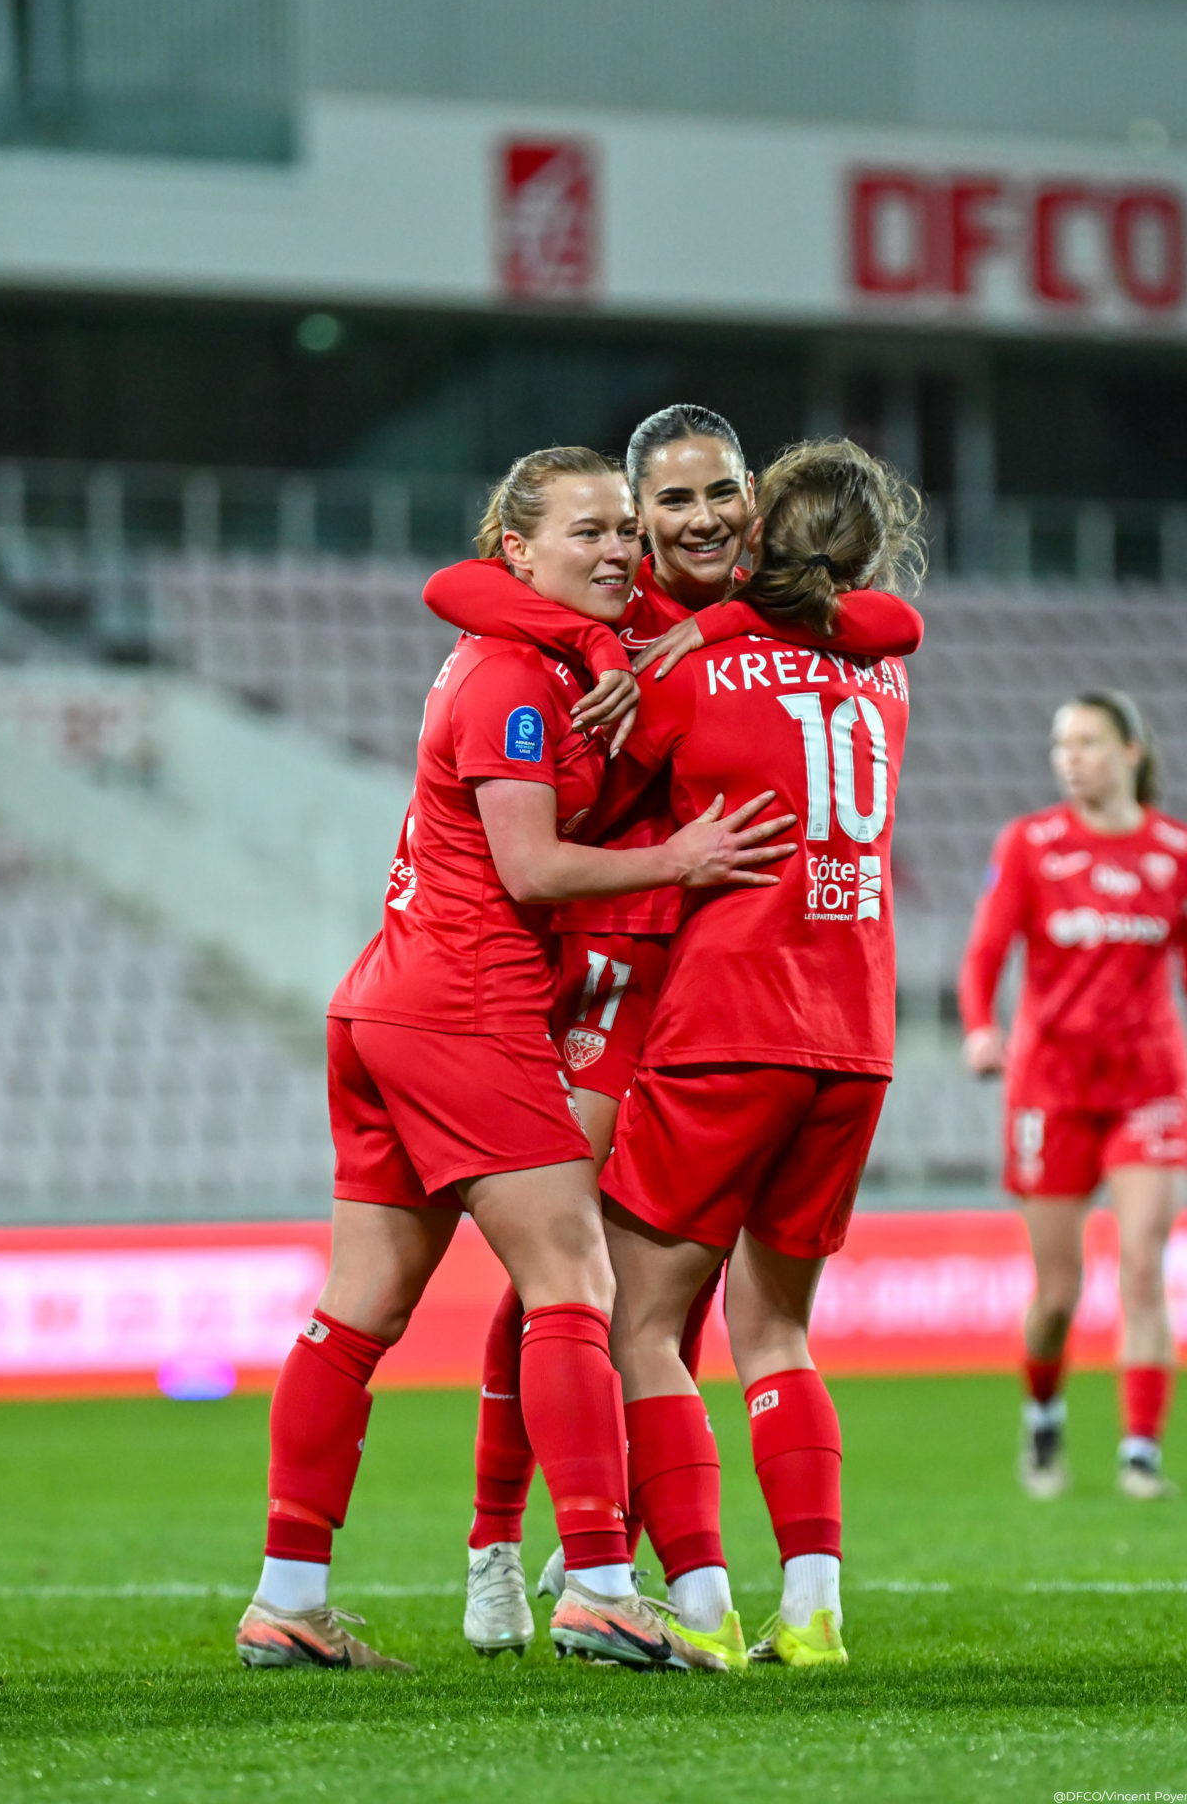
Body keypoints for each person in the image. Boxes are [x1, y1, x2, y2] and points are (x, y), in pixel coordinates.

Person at [233, 445, 792, 1677]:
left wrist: (601, 644)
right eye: (588, 531)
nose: (616, 549)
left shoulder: (533, 653)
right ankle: (596, 1583)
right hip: (465, 1005)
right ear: (518, 550)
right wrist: (680, 860)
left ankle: (286, 1598)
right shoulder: (509, 680)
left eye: (620, 530)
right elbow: (530, 870)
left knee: (359, 1311)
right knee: (572, 1280)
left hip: (390, 1001)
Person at [423, 409, 924, 1658]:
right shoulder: (614, 599)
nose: (701, 519)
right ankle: (500, 1543)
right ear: (637, 517)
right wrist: (597, 639)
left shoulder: (748, 629)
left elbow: (884, 617)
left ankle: (628, 1546)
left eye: (722, 495)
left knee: (648, 1296)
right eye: (674, 502)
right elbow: (458, 587)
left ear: (754, 506)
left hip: (712, 992)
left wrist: (707, 630)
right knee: (568, 1274)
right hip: (628, 971)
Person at [596, 436, 923, 1671]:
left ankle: (698, 1603)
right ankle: (813, 1607)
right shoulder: (884, 673)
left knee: (641, 1322)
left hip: (728, 1023)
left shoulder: (691, 668)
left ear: (755, 533)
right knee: (776, 1327)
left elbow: (593, 805)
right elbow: (873, 624)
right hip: (855, 1035)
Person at [959, 691, 1187, 1501]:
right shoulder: (1029, 845)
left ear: (1129, 751)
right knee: (1056, 1294)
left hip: (1147, 1089)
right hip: (1048, 1091)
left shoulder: (1175, 852)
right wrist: (979, 1028)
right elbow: (984, 952)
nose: (1070, 759)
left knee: (1141, 1267)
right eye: (1062, 745)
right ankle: (1043, 1416)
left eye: (1087, 742)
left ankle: (1139, 1453)